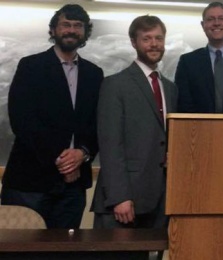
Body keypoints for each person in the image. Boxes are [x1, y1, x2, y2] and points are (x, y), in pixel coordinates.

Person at [1, 4, 103, 229]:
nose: (71, 30)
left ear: (85, 32)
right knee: (21, 253)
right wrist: (63, 162)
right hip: (30, 183)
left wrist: (83, 153)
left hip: (73, 188)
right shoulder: (30, 67)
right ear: (54, 29)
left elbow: (97, 124)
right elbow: (22, 121)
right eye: (66, 24)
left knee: (64, 253)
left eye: (78, 26)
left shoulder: (94, 74)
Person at [91, 14, 177, 238]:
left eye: (159, 38)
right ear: (133, 42)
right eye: (147, 39)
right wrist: (120, 197)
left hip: (160, 199)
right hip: (123, 201)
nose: (154, 44)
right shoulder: (114, 85)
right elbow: (110, 145)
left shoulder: (170, 88)